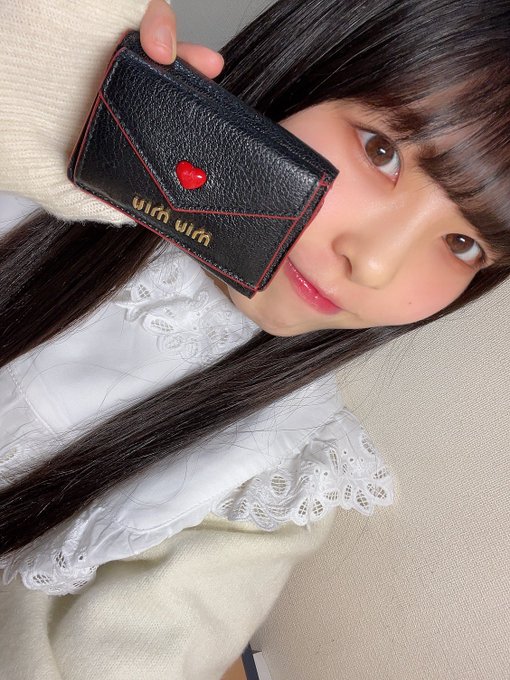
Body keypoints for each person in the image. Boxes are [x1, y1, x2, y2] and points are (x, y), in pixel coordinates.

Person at [0, 0, 508, 678]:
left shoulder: (261, 474)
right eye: (381, 151)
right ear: (306, 64)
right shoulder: (45, 142)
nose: (375, 263)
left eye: (464, 244)